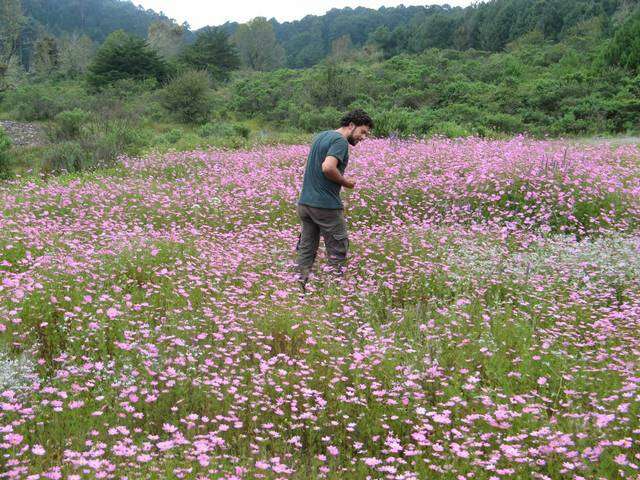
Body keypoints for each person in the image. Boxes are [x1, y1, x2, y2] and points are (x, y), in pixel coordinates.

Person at [295, 109, 373, 291]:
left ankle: (299, 288)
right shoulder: (340, 141)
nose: (363, 137)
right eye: (362, 132)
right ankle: (335, 292)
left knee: (306, 249)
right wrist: (346, 182)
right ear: (351, 125)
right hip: (325, 206)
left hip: (305, 203)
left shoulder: (322, 136)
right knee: (338, 250)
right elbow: (328, 167)